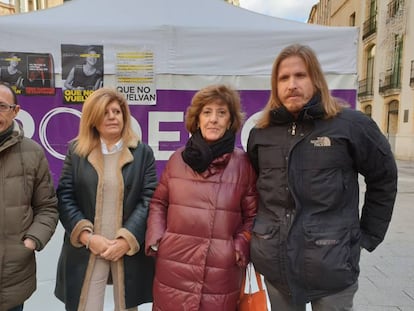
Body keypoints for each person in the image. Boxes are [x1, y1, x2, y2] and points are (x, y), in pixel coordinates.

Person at [247, 43, 398, 311]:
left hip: (332, 266)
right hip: (275, 266)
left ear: (316, 79)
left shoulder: (352, 125)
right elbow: (256, 189)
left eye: (300, 75)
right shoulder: (261, 133)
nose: (292, 84)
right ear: (275, 85)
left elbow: (384, 177)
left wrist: (367, 236)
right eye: (284, 78)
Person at [145, 84, 258, 311]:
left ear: (231, 121)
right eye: (207, 112)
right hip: (173, 269)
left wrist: (238, 246)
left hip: (221, 273)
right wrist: (158, 238)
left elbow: (254, 216)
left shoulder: (243, 164)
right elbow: (159, 202)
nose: (213, 119)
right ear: (197, 120)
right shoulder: (177, 159)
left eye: (221, 113)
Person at [54, 87, 157, 311]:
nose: (112, 117)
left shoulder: (142, 153)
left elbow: (149, 199)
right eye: (105, 112)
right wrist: (87, 237)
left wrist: (126, 240)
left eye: (117, 112)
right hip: (89, 248)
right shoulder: (76, 151)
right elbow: (65, 196)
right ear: (93, 119)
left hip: (127, 250)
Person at [0, 81, 58, 311]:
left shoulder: (33, 153)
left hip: (13, 277)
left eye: (2, 106)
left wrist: (32, 241)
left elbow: (47, 207)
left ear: (16, 111)